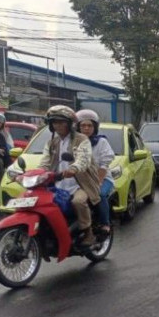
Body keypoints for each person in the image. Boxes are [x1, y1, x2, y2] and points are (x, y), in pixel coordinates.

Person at [39, 105, 100, 247]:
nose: (58, 125)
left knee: (78, 202)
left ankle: (88, 232)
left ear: (70, 124)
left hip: (81, 183)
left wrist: (74, 168)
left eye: (61, 122)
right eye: (54, 122)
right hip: (59, 183)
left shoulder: (82, 139)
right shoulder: (52, 143)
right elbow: (44, 162)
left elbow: (83, 159)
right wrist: (36, 173)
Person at [76, 109, 114, 236]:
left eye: (89, 125)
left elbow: (104, 165)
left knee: (100, 194)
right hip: (79, 179)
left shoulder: (101, 142)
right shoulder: (74, 142)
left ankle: (105, 223)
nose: (86, 128)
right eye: (83, 125)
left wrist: (97, 183)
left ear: (95, 127)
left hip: (102, 179)